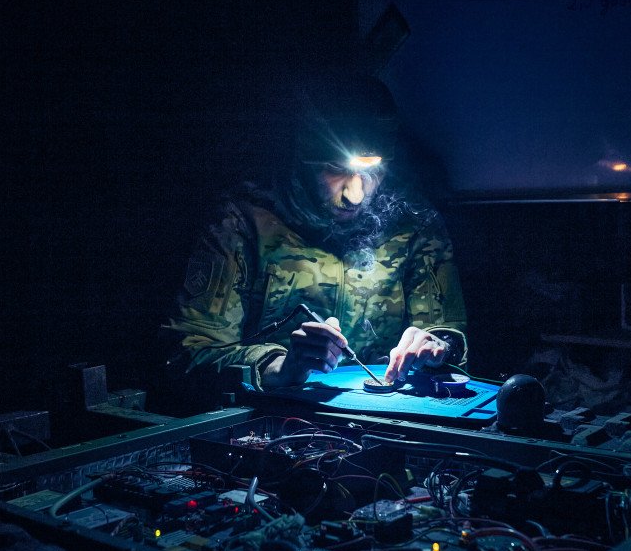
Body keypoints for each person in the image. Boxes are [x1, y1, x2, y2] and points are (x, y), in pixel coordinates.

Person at [162, 73, 466, 396]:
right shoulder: (243, 224)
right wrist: (279, 367)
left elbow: (450, 346)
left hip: (390, 427)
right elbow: (187, 354)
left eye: (372, 170)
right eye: (336, 168)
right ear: (303, 160)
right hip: (276, 427)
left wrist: (439, 346)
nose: (356, 194)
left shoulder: (414, 226)